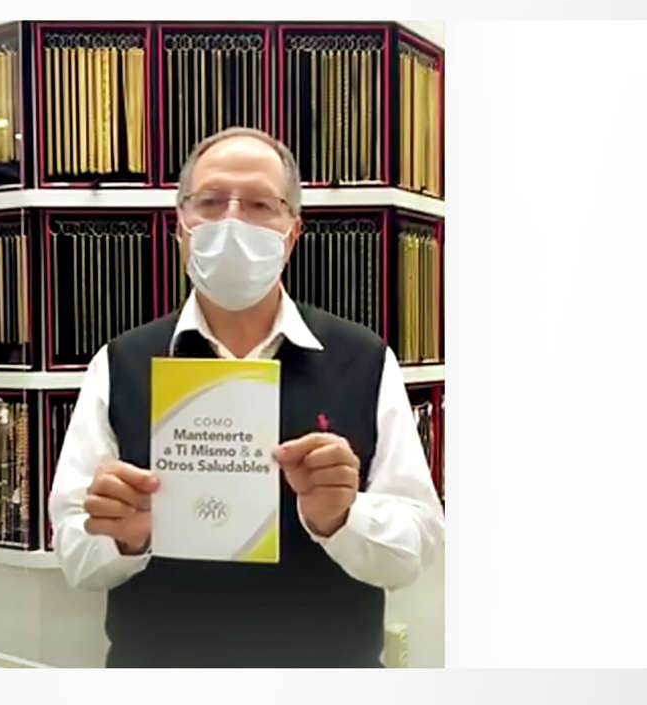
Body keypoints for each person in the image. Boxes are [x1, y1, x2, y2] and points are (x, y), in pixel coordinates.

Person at [47, 126, 445, 668]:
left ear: (292, 233)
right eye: (210, 201)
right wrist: (123, 539)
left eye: (260, 204)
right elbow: (75, 557)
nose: (232, 221)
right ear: (180, 226)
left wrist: (343, 518)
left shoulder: (365, 360)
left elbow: (415, 548)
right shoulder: (120, 363)